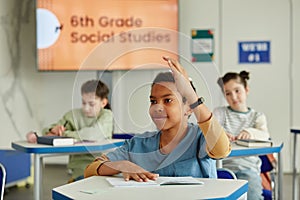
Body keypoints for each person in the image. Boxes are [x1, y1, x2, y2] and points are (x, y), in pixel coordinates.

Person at [84, 56, 231, 181]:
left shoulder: (200, 138)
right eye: (153, 101)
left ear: (188, 107)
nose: (157, 107)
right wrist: (121, 165)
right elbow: (90, 169)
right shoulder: (138, 144)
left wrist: (191, 95)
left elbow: (222, 150)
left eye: (168, 100)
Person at [26, 79, 113, 182]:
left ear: (103, 102)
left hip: (102, 168)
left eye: (91, 104)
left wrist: (65, 133)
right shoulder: (73, 115)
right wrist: (52, 129)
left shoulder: (107, 115)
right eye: (83, 102)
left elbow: (92, 135)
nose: (86, 108)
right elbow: (50, 130)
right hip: (79, 170)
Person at [213, 71, 270, 200]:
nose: (233, 97)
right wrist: (221, 135)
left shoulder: (257, 117)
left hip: (247, 169)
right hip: (222, 169)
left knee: (253, 195)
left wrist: (250, 132)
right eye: (228, 93)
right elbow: (211, 130)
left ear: (246, 89)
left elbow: (265, 135)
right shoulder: (220, 113)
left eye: (237, 91)